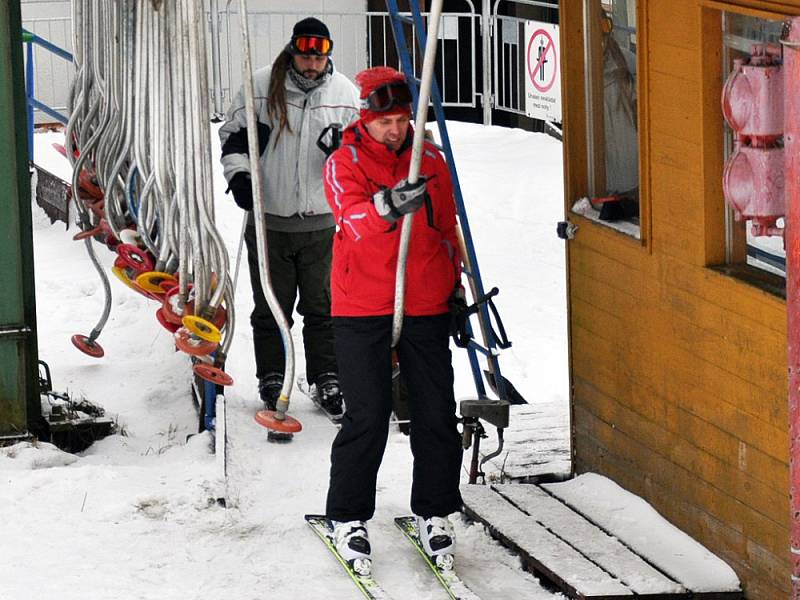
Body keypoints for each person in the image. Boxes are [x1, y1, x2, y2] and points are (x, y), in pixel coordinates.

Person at [322, 66, 464, 575]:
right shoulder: (345, 161)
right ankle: (348, 516)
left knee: (435, 416)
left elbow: (446, 226)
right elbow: (350, 218)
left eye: (403, 119)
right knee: (368, 413)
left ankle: (435, 510)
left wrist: (456, 287)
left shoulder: (431, 162)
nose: (396, 129)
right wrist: (386, 205)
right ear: (365, 117)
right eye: (385, 120)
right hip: (362, 303)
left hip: (424, 299)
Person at [219, 18, 360, 416]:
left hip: (320, 222)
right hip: (269, 221)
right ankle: (273, 376)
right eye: (304, 54)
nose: (311, 63)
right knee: (271, 307)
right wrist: (241, 176)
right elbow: (232, 138)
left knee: (322, 307)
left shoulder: (345, 94)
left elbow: (359, 156)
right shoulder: (262, 86)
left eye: (319, 55)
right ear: (293, 50)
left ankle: (326, 376)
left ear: (328, 54)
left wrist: (341, 157)